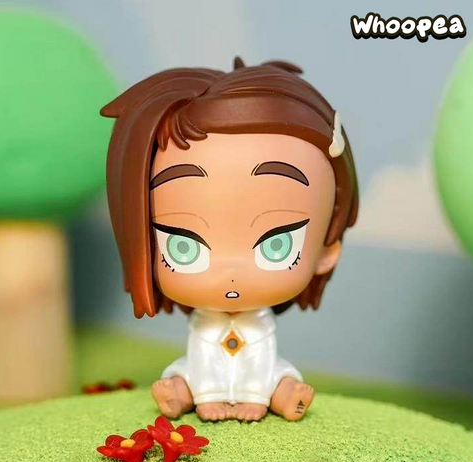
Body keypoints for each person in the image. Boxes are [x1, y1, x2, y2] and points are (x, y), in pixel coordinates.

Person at [101, 57, 359, 422]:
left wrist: (258, 392)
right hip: (202, 369)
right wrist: (204, 390)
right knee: (188, 371)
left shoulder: (259, 323)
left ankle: (277, 395)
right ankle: (187, 393)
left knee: (278, 374)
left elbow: (261, 358)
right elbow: (203, 356)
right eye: (183, 246)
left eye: (277, 244)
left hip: (261, 374)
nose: (231, 273)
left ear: (325, 250)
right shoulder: (205, 323)